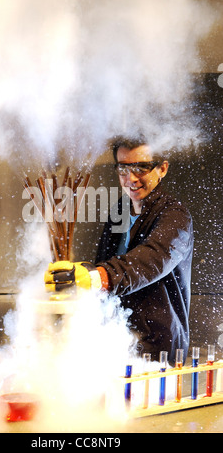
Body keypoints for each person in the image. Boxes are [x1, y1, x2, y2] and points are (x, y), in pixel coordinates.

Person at [44, 136, 194, 365]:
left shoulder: (175, 216)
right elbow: (107, 263)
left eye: (141, 167)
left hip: (157, 352)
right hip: (116, 342)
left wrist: (95, 278)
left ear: (162, 168)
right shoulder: (121, 211)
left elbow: (150, 260)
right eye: (123, 169)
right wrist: (77, 273)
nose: (130, 179)